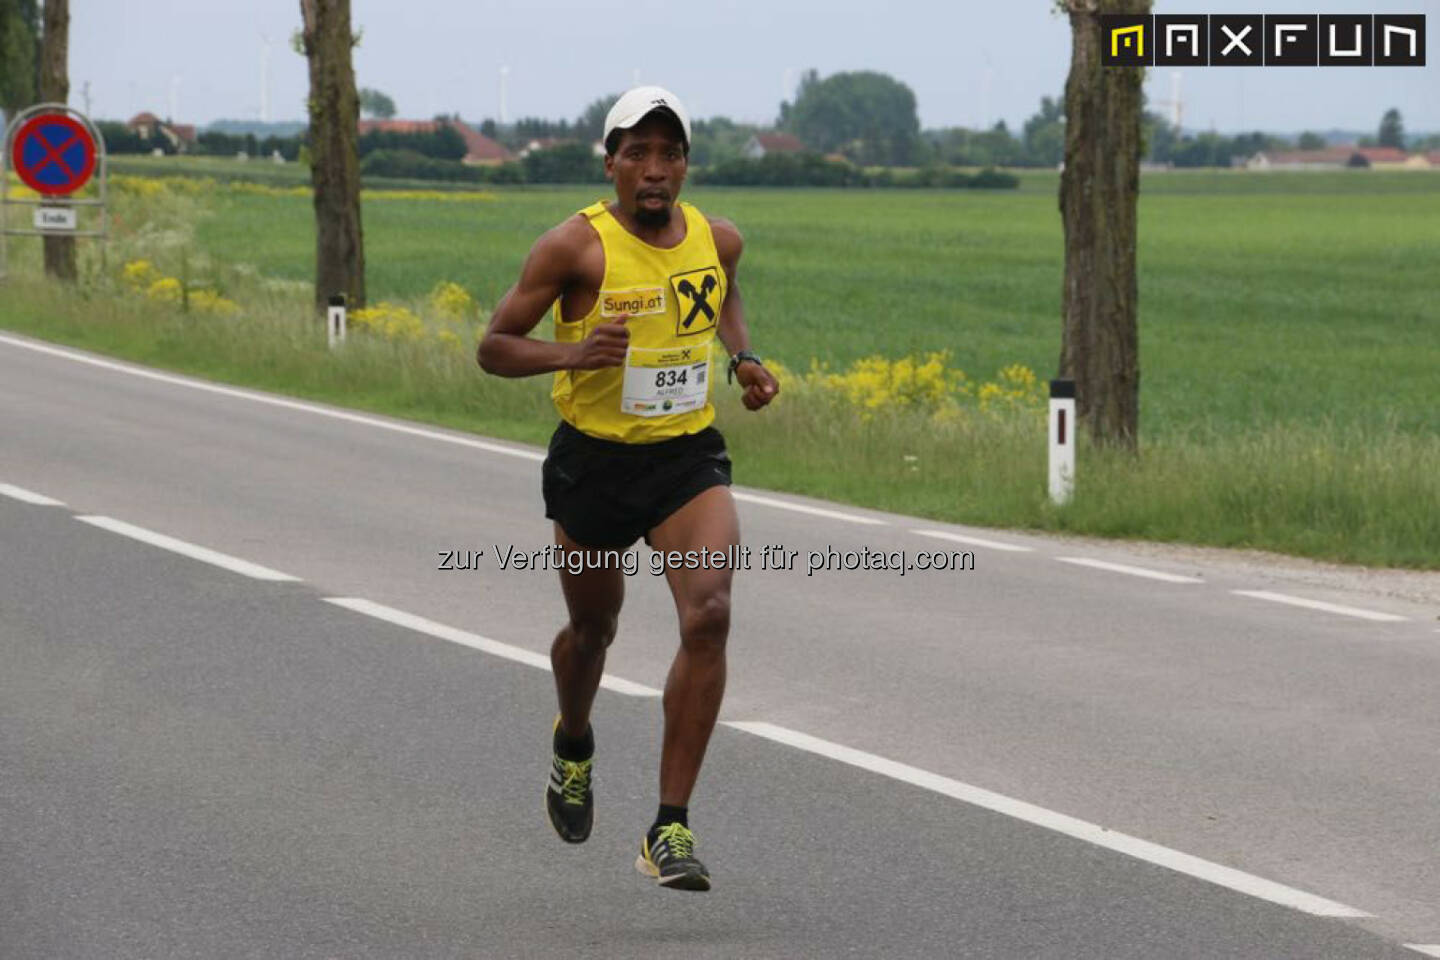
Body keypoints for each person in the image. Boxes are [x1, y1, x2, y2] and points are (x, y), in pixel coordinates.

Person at [477, 86, 779, 891]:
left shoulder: (718, 239)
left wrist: (742, 358)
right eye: (637, 154)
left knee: (709, 615)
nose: (654, 170)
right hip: (594, 462)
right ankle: (573, 739)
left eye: (669, 153)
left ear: (686, 165)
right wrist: (574, 355)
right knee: (593, 633)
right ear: (609, 163)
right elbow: (495, 347)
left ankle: (668, 829)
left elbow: (721, 296)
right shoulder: (573, 249)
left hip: (685, 459)